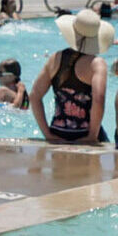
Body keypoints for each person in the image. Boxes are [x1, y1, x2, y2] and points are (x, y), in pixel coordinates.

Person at [30, 9, 110, 144]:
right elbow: (99, 99)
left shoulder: (55, 58)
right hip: (84, 133)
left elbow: (34, 96)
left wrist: (47, 134)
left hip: (58, 131)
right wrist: (92, 135)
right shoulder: (97, 64)